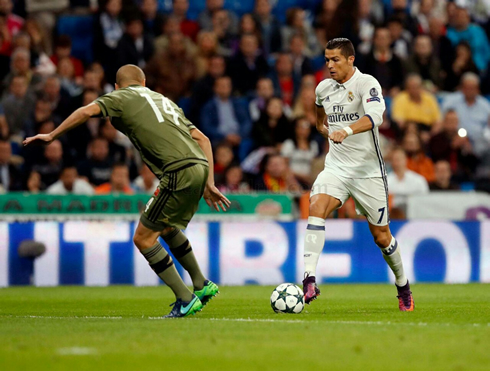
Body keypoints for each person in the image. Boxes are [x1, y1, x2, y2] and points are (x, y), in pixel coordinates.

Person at [24, 64, 230, 318]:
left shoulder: (121, 96)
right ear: (144, 83)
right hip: (199, 165)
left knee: (143, 238)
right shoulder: (164, 101)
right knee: (164, 226)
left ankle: (185, 298)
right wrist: (209, 181)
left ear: (117, 87)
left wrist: (52, 135)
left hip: (177, 170)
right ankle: (201, 283)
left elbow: (86, 111)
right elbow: (204, 140)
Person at [303, 38, 414, 311]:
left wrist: (347, 130)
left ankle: (403, 286)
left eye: (335, 60)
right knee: (316, 205)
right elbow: (319, 114)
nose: (329, 65)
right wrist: (323, 127)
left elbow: (377, 116)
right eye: (327, 59)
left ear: (351, 59)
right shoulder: (323, 88)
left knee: (382, 237)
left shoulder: (367, 83)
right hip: (336, 168)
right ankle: (309, 279)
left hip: (368, 173)